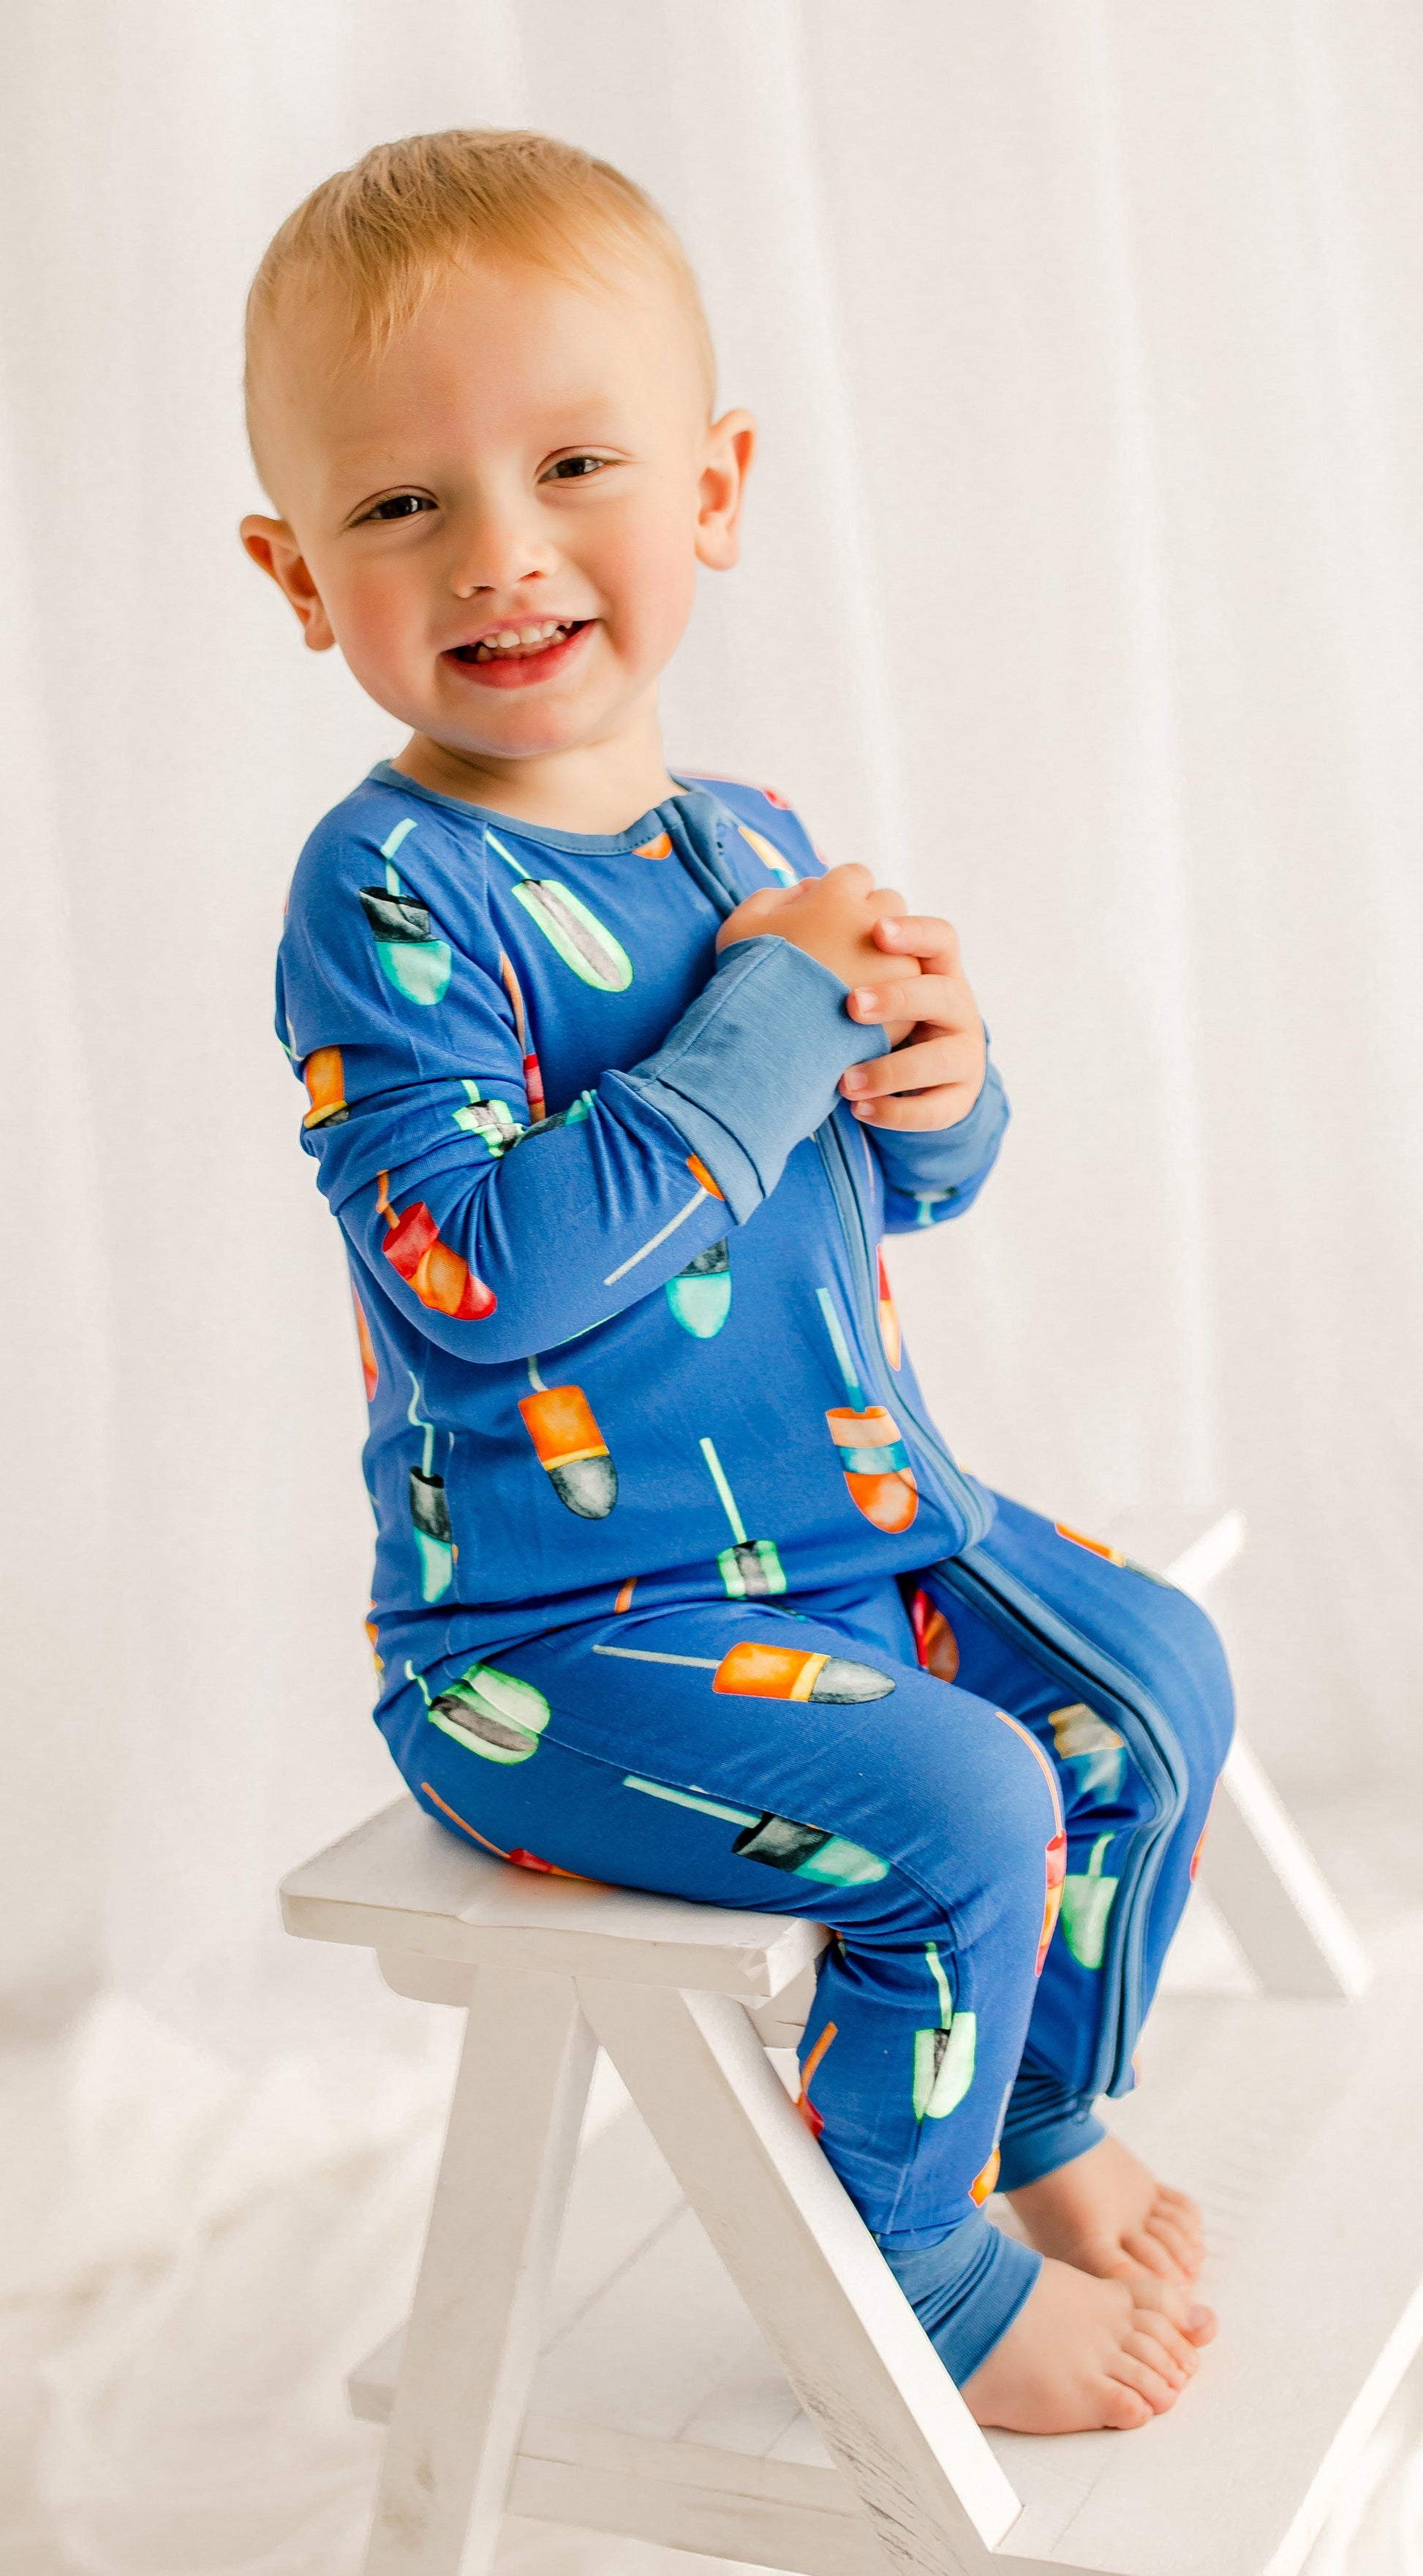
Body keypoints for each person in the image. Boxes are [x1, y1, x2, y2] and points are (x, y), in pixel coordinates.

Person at [242, 127, 1231, 2435]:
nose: (499, 549)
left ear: (712, 486)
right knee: (974, 1805)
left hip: (862, 1530)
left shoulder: (750, 846)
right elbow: (474, 1282)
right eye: (400, 508)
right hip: (555, 1642)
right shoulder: (386, 891)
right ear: (299, 575)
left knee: (1149, 1684)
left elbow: (899, 1190)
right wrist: (773, 1020)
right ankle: (916, 2267)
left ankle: (1029, 2106)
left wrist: (938, 1082)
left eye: (574, 460)